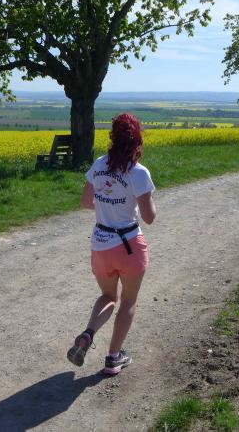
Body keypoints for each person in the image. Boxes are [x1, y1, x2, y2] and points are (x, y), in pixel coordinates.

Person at [67, 113, 156, 376]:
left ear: (112, 137)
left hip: (101, 244)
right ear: (137, 140)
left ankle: (88, 333)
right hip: (129, 245)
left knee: (108, 297)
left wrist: (107, 206)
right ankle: (113, 357)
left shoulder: (98, 165)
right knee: (128, 302)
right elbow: (149, 217)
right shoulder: (138, 173)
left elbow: (86, 202)